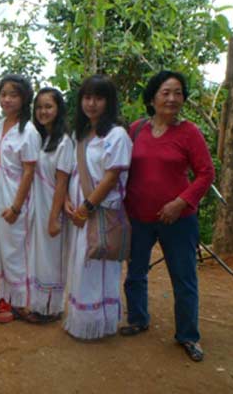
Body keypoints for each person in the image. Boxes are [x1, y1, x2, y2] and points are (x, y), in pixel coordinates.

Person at [122, 70, 214, 362]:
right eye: (166, 92)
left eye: (178, 93)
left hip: (178, 220)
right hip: (138, 217)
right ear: (152, 98)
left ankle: (188, 335)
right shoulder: (136, 129)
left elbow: (206, 173)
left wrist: (180, 202)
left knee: (184, 278)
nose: (172, 98)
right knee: (135, 272)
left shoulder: (190, 132)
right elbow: (122, 169)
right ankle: (138, 319)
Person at [64, 74, 132, 340]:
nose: (91, 104)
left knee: (97, 266)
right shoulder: (80, 135)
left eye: (99, 98)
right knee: (80, 266)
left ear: (109, 102)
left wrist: (86, 208)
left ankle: (97, 324)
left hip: (100, 212)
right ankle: (80, 321)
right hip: (78, 213)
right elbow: (72, 172)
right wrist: (69, 203)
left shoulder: (116, 135)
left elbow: (111, 177)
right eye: (87, 97)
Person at [0, 74, 41, 324]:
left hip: (15, 199)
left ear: (24, 99)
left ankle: (22, 302)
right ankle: (5, 297)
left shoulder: (28, 131)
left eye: (13, 95)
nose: (7, 100)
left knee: (16, 251)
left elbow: (29, 171)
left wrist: (16, 207)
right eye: (3, 94)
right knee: (1, 250)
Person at [30, 87, 73, 323]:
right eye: (39, 107)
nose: (43, 111)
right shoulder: (38, 138)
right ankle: (38, 304)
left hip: (51, 206)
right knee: (38, 256)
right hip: (36, 205)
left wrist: (54, 217)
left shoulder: (64, 142)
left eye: (48, 107)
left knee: (52, 257)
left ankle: (52, 307)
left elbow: (62, 182)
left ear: (58, 109)